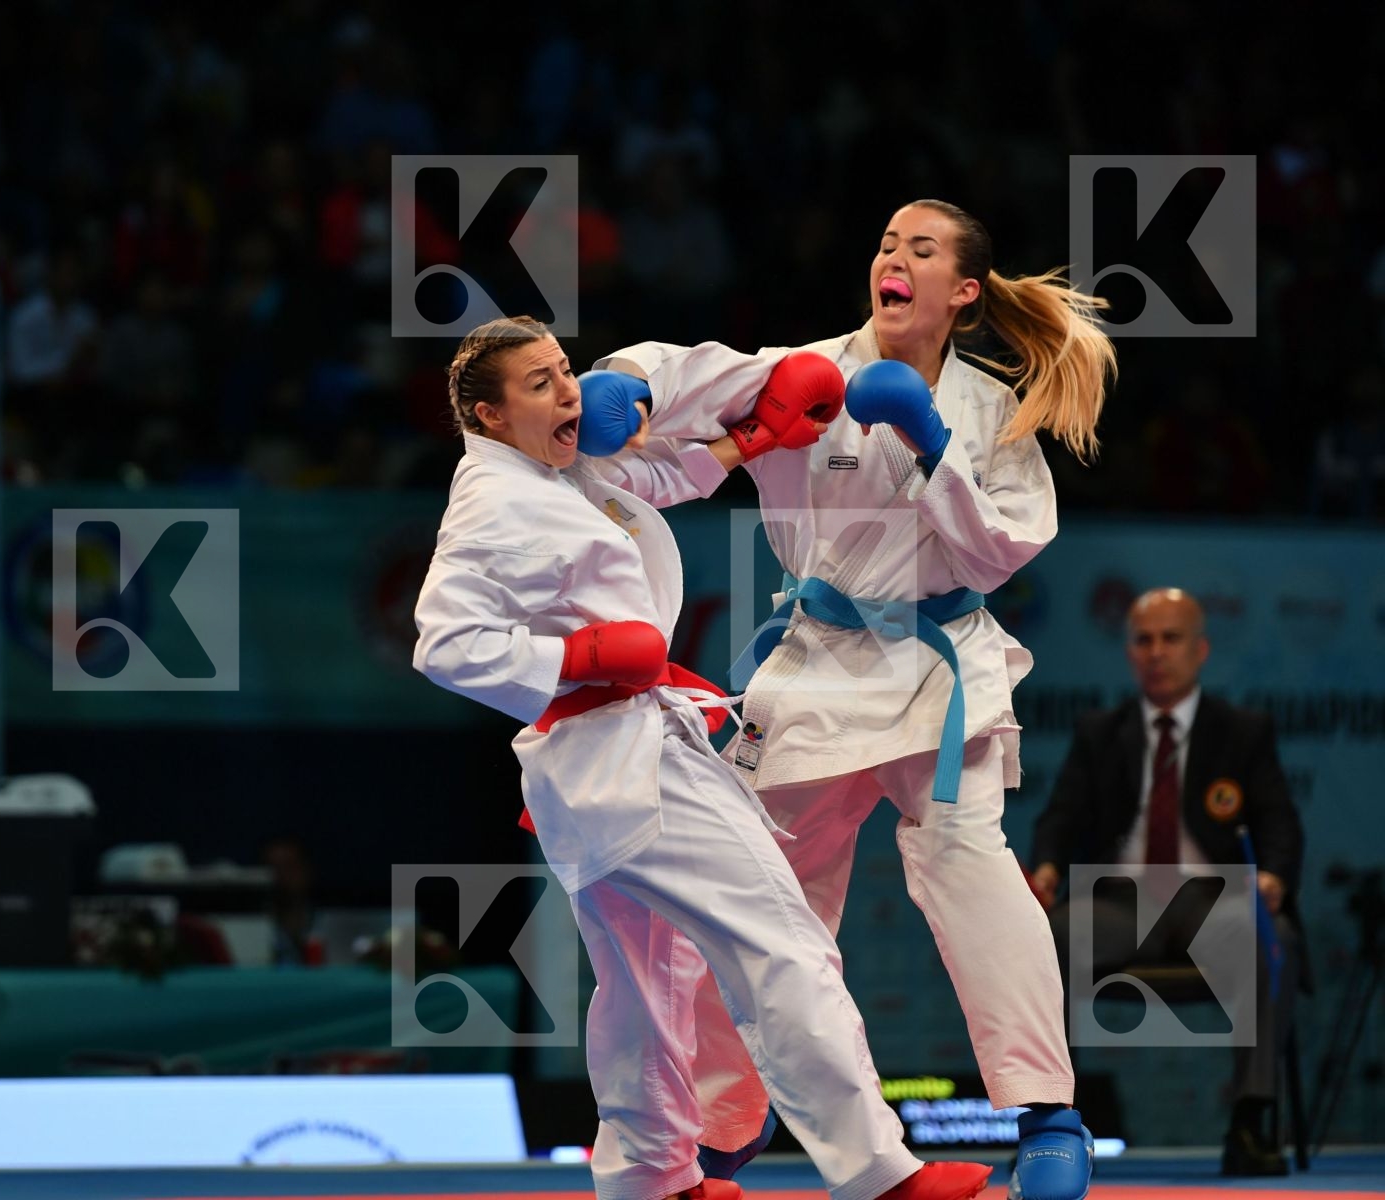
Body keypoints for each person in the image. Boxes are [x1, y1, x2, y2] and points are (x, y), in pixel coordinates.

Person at [585, 199, 1117, 1200]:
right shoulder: (808, 373)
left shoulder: (990, 413)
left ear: (962, 290)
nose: (893, 258)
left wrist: (929, 444)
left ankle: (1049, 1115)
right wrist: (615, 385)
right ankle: (723, 1126)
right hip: (817, 671)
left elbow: (999, 550)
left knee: (972, 872)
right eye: (884, 243)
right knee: (756, 909)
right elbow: (687, 374)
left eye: (921, 249)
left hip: (939, 663)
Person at [413, 315, 991, 1200]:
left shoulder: (549, 473)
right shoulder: (494, 503)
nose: (568, 388)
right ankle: (879, 1173)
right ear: (488, 416)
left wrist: (749, 440)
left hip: (592, 774)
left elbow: (643, 479)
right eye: (540, 383)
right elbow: (444, 644)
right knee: (782, 943)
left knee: (645, 983)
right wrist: (574, 662)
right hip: (629, 756)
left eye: (564, 369)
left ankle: (650, 1178)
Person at [1030, 588, 1305, 1177]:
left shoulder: (1242, 731)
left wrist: (1275, 877)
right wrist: (1047, 868)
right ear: (1129, 652)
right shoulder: (1100, 731)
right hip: (1118, 903)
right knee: (1046, 936)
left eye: (1171, 638)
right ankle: (1051, 1128)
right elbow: (1061, 816)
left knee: (1267, 930)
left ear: (1201, 649)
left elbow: (1280, 821)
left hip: (1216, 902)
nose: (1156, 652)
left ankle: (1252, 1122)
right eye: (1144, 640)